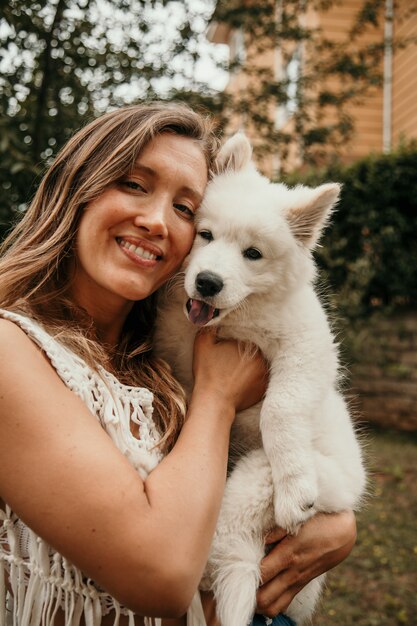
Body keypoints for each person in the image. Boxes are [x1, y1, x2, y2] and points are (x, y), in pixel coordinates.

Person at [0, 102, 356, 626]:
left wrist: (336, 526)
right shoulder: (13, 349)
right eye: (134, 184)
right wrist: (216, 396)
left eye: (187, 208)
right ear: (75, 188)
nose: (157, 221)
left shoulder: (152, 346)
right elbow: (165, 579)